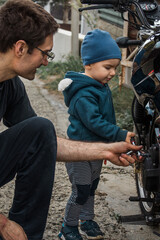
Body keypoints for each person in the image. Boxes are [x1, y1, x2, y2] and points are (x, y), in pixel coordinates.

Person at [0, 1, 142, 240]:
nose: (47, 62)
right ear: (21, 48)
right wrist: (2, 224)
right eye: (46, 53)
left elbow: (46, 143)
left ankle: (25, 235)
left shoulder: (11, 84)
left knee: (40, 129)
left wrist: (107, 150)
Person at [58, 29, 136, 240]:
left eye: (115, 68)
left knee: (91, 188)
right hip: (80, 152)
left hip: (96, 150)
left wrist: (108, 145)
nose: (112, 73)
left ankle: (87, 220)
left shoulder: (100, 86)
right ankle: (68, 227)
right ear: (89, 64)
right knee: (81, 190)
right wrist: (118, 134)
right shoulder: (84, 93)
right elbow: (95, 123)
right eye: (107, 67)